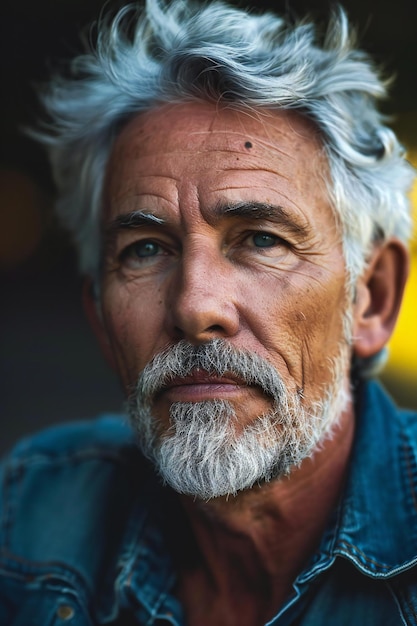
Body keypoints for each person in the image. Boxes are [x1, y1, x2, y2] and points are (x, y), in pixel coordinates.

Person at [0, 0, 416, 623]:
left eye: (261, 239)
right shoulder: (29, 511)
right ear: (100, 318)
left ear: (372, 297)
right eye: (144, 250)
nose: (195, 307)